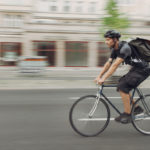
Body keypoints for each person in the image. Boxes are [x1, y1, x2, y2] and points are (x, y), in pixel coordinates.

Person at [95, 30, 150, 124]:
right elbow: (109, 63)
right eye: (106, 40)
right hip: (136, 69)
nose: (106, 42)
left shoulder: (125, 48)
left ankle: (127, 114)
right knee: (121, 83)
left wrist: (103, 78)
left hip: (143, 70)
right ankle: (137, 108)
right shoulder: (114, 49)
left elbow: (115, 65)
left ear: (115, 40)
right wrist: (99, 76)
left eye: (108, 39)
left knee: (123, 86)